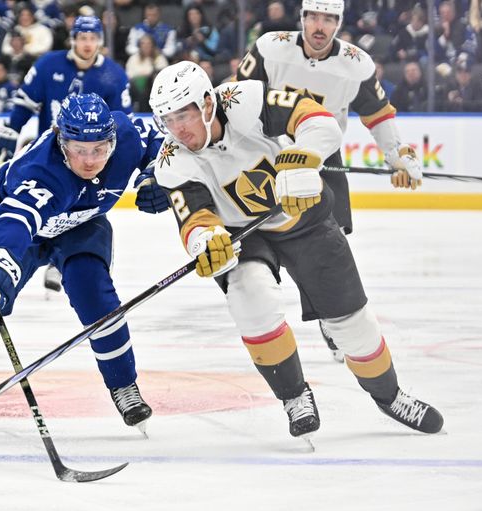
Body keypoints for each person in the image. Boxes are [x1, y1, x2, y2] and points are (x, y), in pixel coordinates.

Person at [148, 61, 444, 439]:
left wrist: (303, 157)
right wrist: (206, 243)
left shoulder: (247, 99)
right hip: (243, 234)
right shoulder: (172, 160)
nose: (177, 129)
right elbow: (194, 219)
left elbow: (319, 120)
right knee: (249, 298)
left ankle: (390, 396)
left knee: (354, 326)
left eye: (183, 115)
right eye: (167, 120)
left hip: (304, 219)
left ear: (207, 104)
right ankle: (293, 396)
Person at [0, 93, 166, 431]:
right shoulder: (43, 173)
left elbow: (160, 144)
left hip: (81, 225)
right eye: (78, 149)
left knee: (96, 296)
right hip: (24, 235)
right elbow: (15, 221)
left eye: (99, 150)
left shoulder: (126, 136)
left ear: (111, 140)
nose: (89, 161)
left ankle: (123, 385)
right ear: (62, 140)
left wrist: (157, 176)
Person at [235, 0, 423, 361]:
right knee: (285, 243)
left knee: (328, 241)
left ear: (339, 22)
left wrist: (397, 155)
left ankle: (333, 316)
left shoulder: (356, 65)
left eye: (328, 19)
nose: (319, 27)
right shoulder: (270, 48)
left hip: (320, 156)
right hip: (271, 159)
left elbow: (378, 115)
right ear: (302, 18)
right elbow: (237, 101)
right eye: (313, 17)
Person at [0, 15, 133, 294]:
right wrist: (11, 131)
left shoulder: (114, 75)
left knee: (82, 210)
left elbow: (123, 123)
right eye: (82, 38)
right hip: (52, 158)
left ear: (100, 41)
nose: (87, 44)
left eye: (93, 38)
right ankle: (16, 257)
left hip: (90, 158)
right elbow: (25, 103)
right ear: (73, 40)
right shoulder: (48, 65)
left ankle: (63, 261)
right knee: (34, 206)